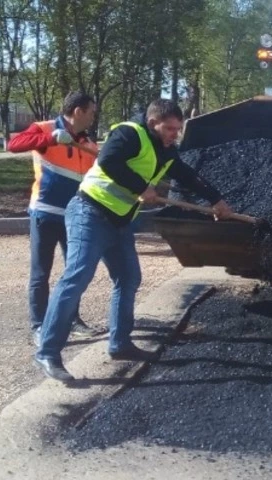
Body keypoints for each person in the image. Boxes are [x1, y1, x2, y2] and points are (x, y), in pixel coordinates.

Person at [33, 99, 235, 382]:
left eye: (178, 129)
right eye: (169, 128)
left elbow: (188, 176)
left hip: (119, 221)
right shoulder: (129, 133)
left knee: (128, 278)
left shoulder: (166, 152)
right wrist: (142, 187)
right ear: (153, 123)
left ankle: (120, 344)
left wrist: (217, 200)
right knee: (77, 277)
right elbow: (108, 161)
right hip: (89, 213)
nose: (174, 134)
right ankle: (48, 352)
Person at [8, 91, 104, 347]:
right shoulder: (45, 128)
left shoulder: (86, 142)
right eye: (92, 111)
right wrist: (50, 138)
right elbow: (14, 145)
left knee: (74, 272)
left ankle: (72, 319)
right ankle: (39, 325)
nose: (94, 116)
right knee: (41, 273)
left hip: (75, 216)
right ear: (78, 111)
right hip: (45, 212)